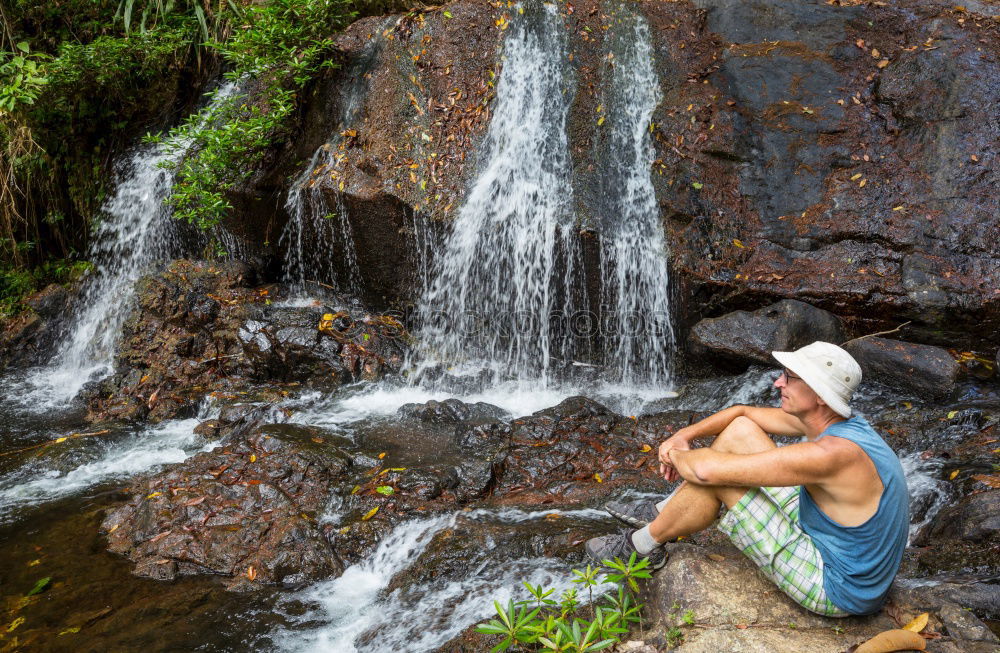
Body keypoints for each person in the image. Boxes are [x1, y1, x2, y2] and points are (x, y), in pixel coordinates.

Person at [585, 341, 909, 617]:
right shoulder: (832, 423)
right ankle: (662, 514)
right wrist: (684, 435)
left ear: (820, 395)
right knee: (739, 434)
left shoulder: (831, 453)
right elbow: (743, 414)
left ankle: (641, 546)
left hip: (839, 585)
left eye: (790, 377)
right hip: (829, 534)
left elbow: (706, 471)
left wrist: (674, 454)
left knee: (723, 477)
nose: (778, 383)